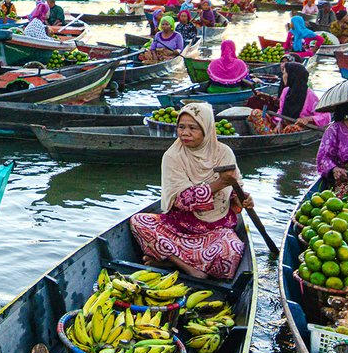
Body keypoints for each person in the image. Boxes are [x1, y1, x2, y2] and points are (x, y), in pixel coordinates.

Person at [128, 103, 248, 280]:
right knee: (139, 221)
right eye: (181, 127)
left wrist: (242, 199)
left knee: (233, 251)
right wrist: (219, 183)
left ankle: (166, 263)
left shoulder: (224, 152)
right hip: (179, 228)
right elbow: (182, 200)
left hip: (215, 231)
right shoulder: (173, 156)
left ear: (206, 129)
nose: (185, 133)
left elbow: (234, 187)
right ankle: (184, 265)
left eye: (193, 128)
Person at [249, 60, 330, 134]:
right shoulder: (286, 91)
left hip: (296, 126)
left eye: (284, 73)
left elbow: (325, 116)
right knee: (256, 113)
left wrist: (308, 119)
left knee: (291, 129)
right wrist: (279, 123)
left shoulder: (310, 95)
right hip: (281, 124)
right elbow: (280, 112)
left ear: (292, 76)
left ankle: (271, 136)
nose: (283, 76)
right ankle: (268, 134)